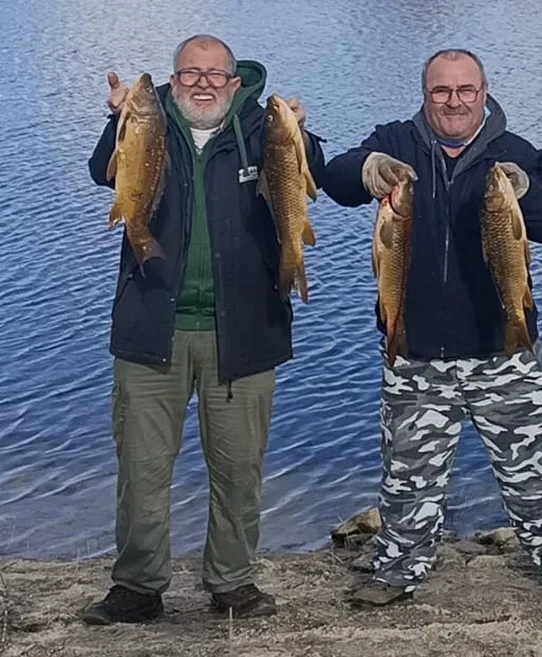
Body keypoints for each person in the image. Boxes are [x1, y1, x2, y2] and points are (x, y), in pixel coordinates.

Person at [321, 48, 542, 606]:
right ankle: (397, 569)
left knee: (538, 473)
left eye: (465, 90)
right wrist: (366, 170)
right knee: (408, 479)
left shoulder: (511, 152)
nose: (453, 101)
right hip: (415, 350)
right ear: (425, 94)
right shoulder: (397, 141)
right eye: (440, 92)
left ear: (484, 92)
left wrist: (524, 188)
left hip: (503, 350)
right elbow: (335, 180)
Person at [83, 34, 326, 624]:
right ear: (173, 79)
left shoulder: (260, 129)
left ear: (235, 82)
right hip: (151, 329)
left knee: (240, 468)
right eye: (190, 73)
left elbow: (310, 173)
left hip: (243, 333)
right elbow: (101, 173)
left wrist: (298, 130)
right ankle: (138, 586)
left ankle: (233, 581)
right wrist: (116, 121)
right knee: (142, 469)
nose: (202, 84)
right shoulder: (149, 121)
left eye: (215, 75)